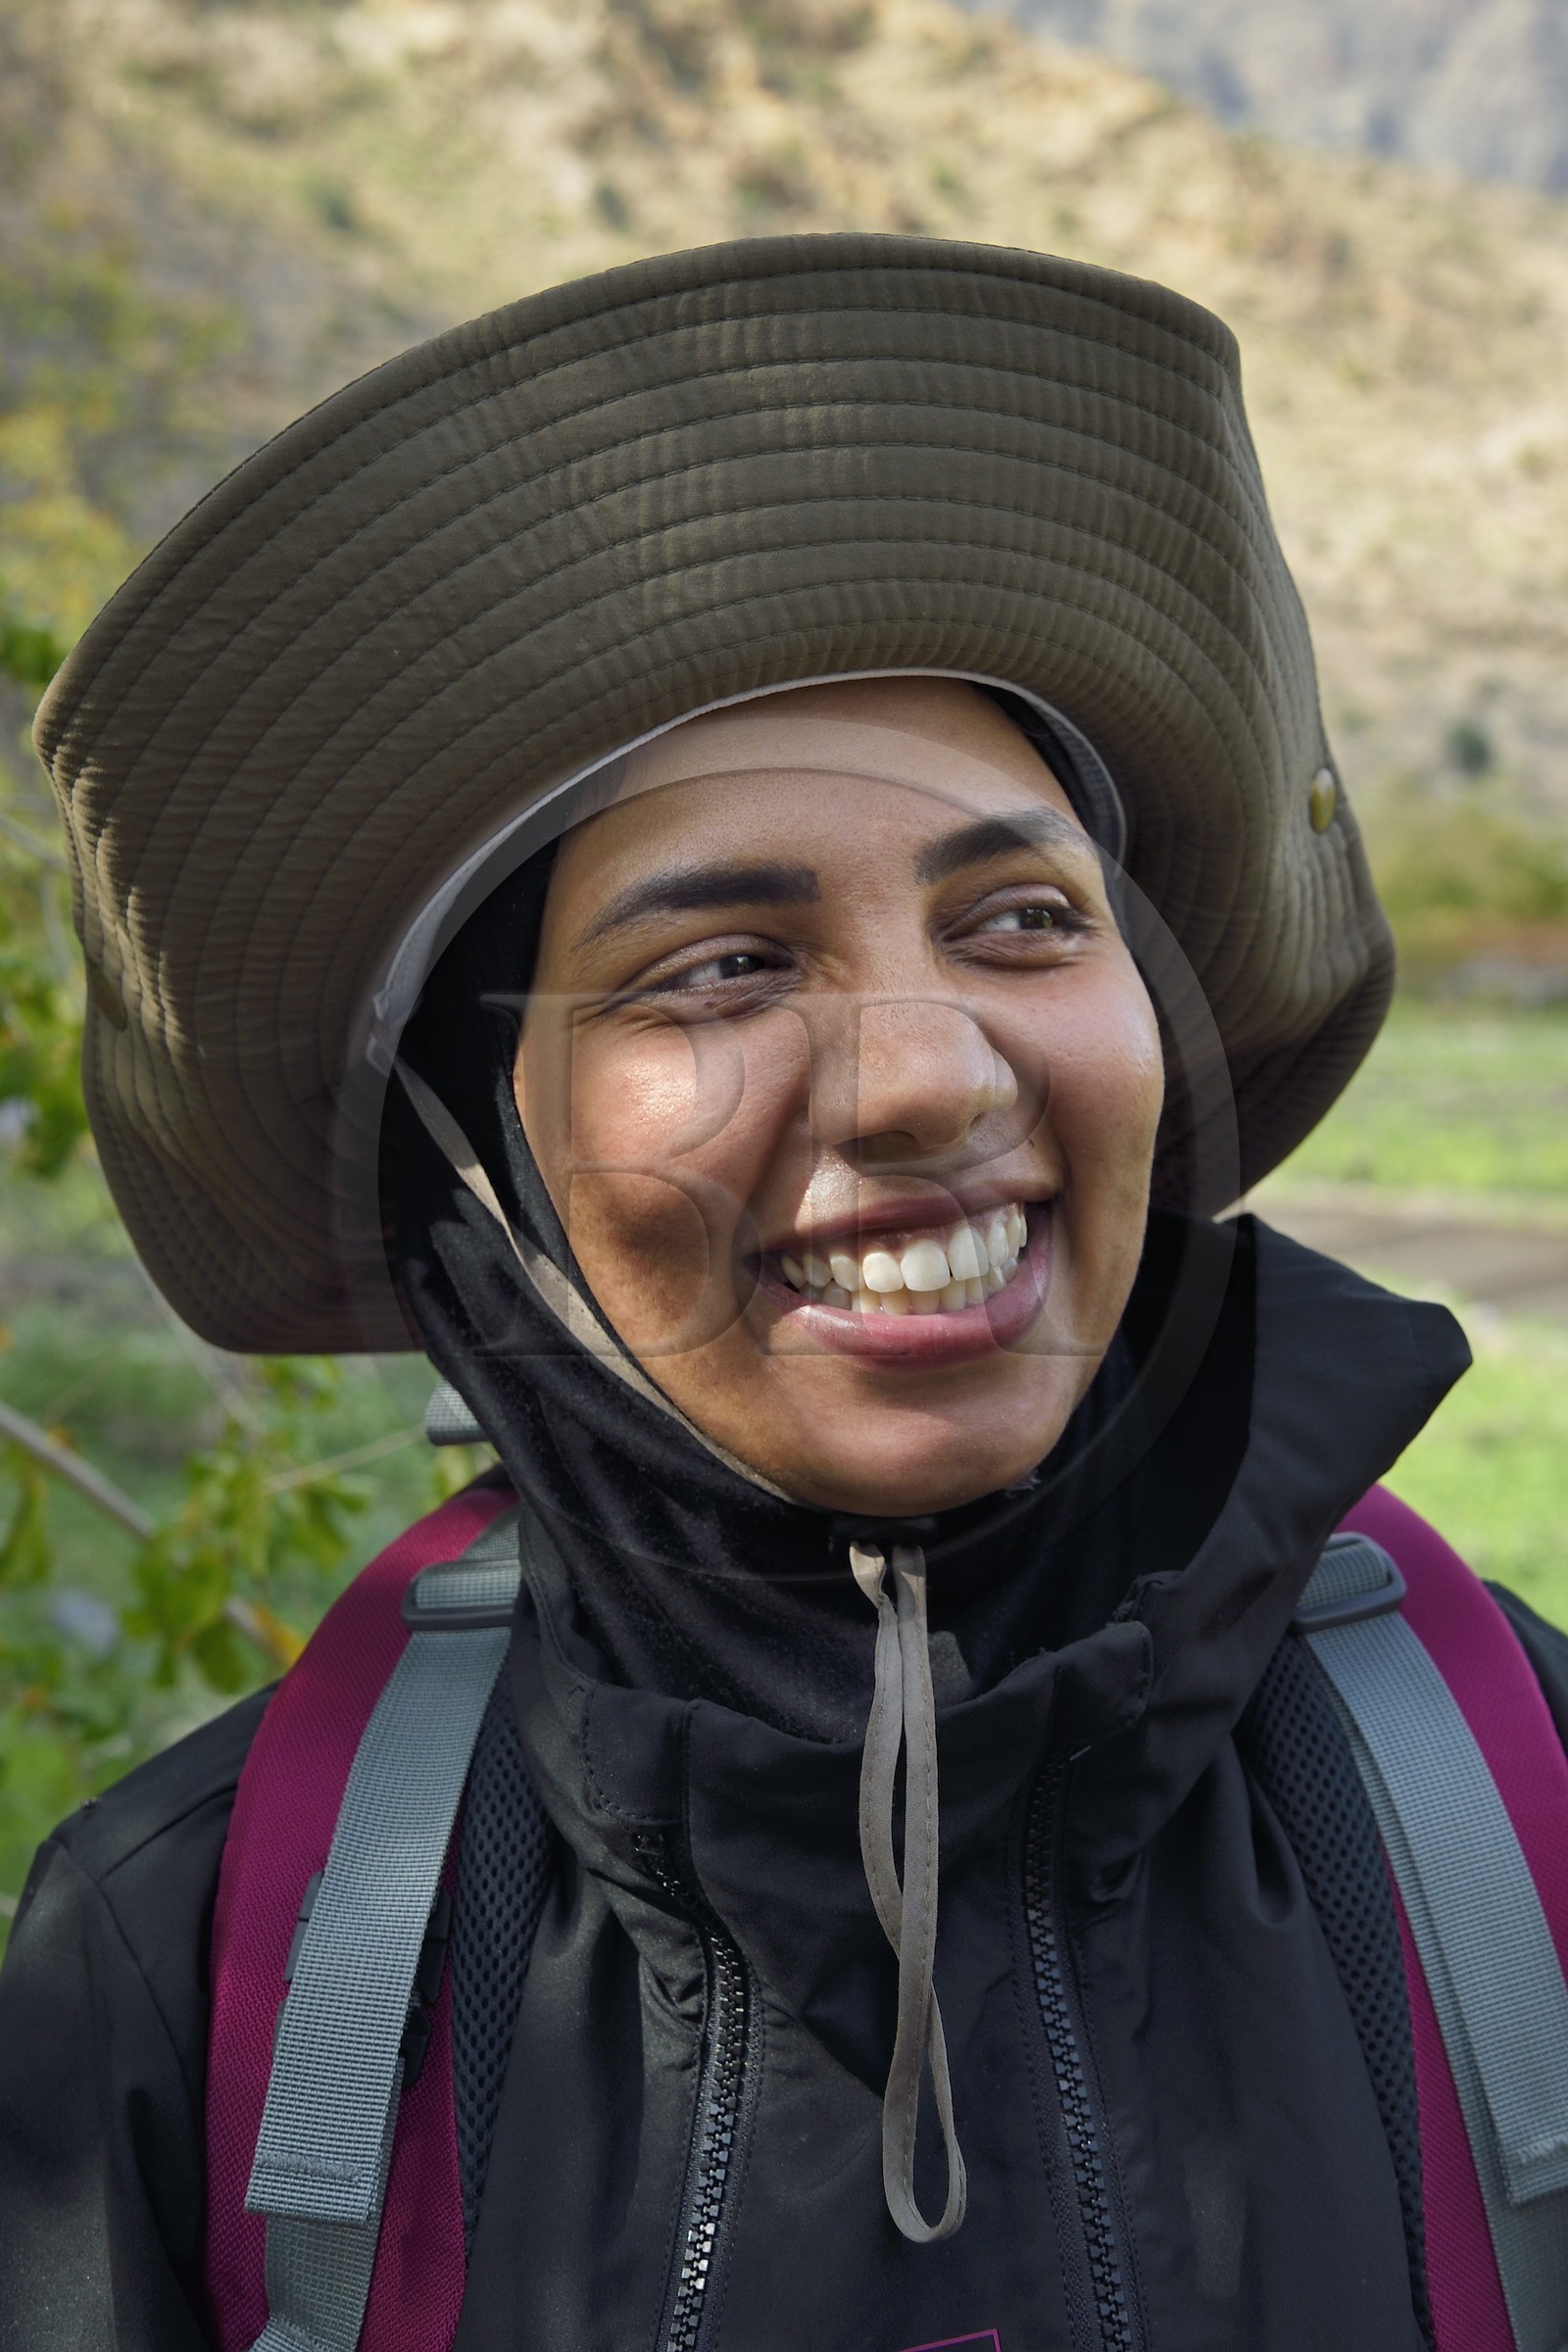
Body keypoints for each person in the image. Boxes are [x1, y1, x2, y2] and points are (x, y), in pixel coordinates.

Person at [2, 232, 1566, 2352]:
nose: (930, 1076)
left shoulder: (1520, 1814)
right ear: (491, 1157)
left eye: (1020, 916)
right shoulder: (186, 1962)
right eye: (719, 966)